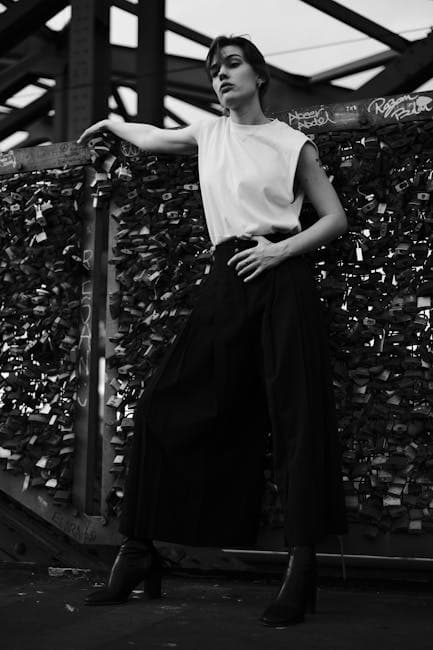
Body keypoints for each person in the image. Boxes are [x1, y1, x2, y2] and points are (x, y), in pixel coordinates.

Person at [77, 34, 348, 627]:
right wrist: (112, 122)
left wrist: (280, 254)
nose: (220, 76)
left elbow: (334, 216)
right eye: (212, 70)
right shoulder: (208, 132)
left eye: (231, 65)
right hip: (227, 275)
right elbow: (151, 136)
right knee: (160, 407)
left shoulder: (290, 142)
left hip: (281, 272)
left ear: (259, 75)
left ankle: (301, 573)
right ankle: (139, 552)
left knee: (297, 419)